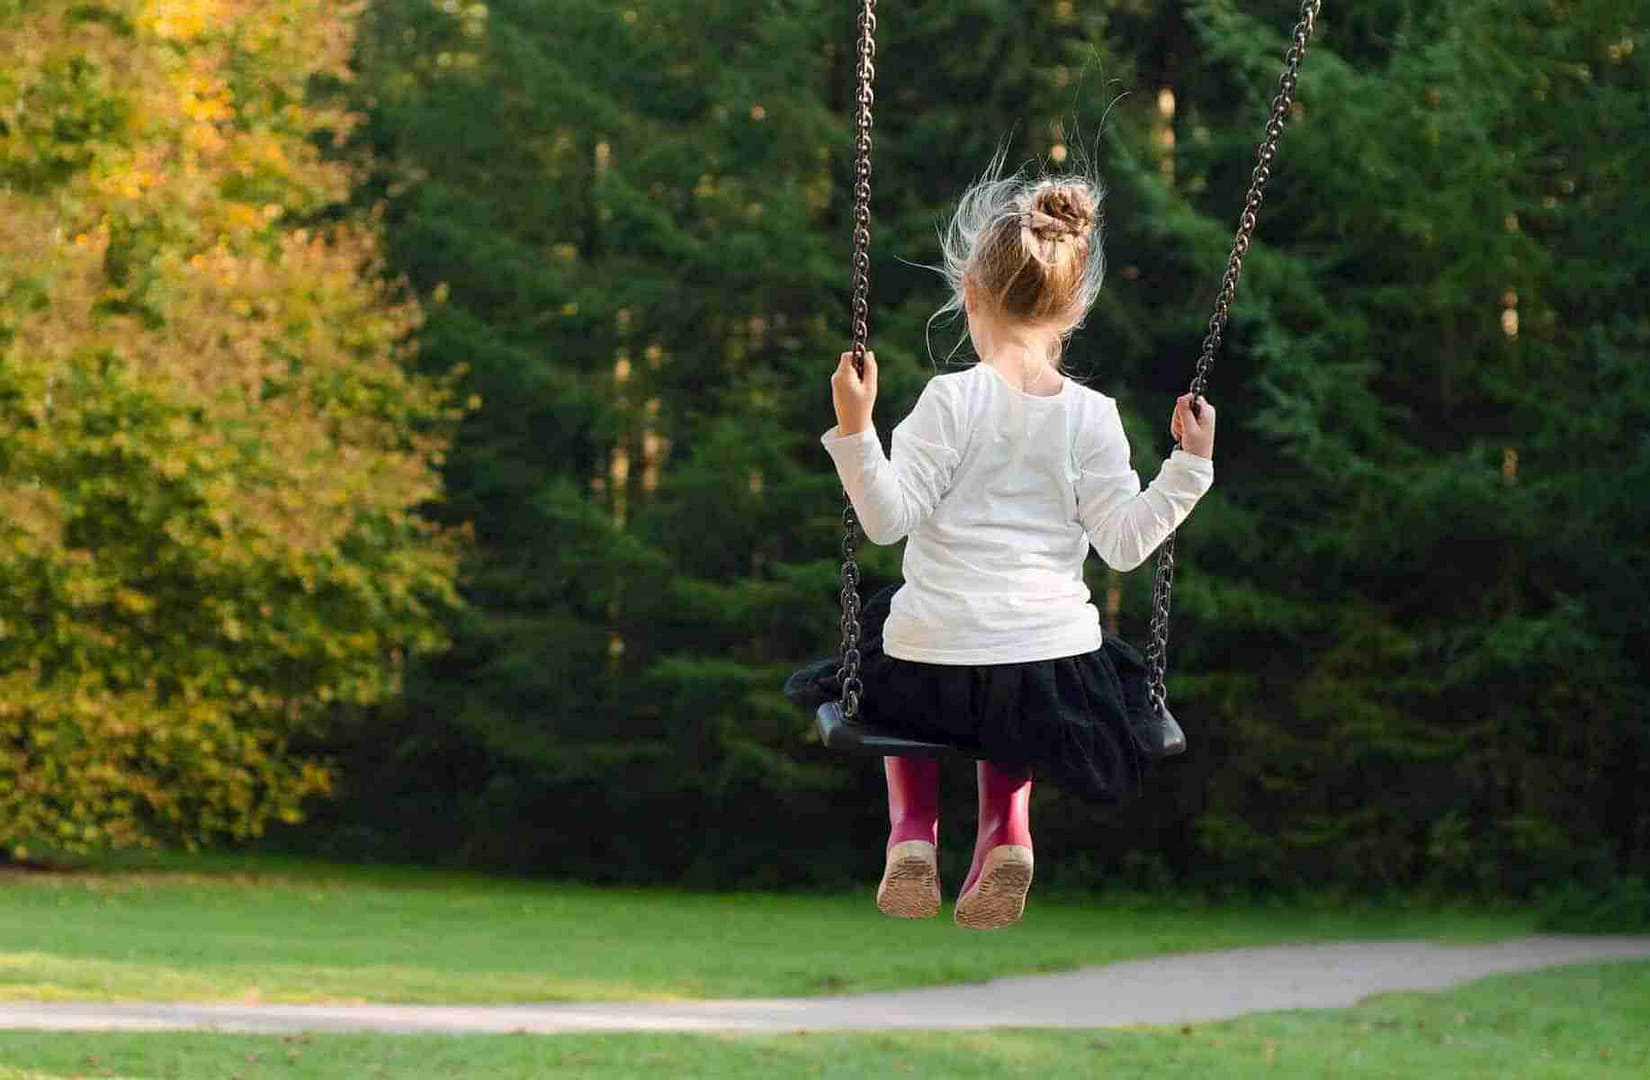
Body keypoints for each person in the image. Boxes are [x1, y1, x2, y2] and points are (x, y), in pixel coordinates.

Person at [802, 168, 1216, 930]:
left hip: (933, 666)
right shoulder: (1094, 416)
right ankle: (1008, 832)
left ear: (969, 289)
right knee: (1019, 677)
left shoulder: (949, 399)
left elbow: (887, 522)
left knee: (896, 634)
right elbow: (1125, 546)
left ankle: (911, 831)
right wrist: (1189, 467)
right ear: (1075, 307)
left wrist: (855, 428)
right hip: (1047, 673)